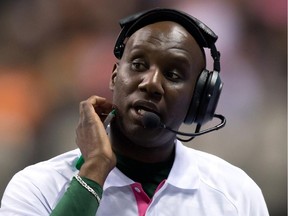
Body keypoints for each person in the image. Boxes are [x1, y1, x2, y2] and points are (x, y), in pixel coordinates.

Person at [0, 8, 269, 216]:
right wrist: (94, 171)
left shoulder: (236, 195)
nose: (150, 83)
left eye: (173, 74)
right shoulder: (36, 187)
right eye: (139, 64)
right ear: (114, 77)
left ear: (198, 100)